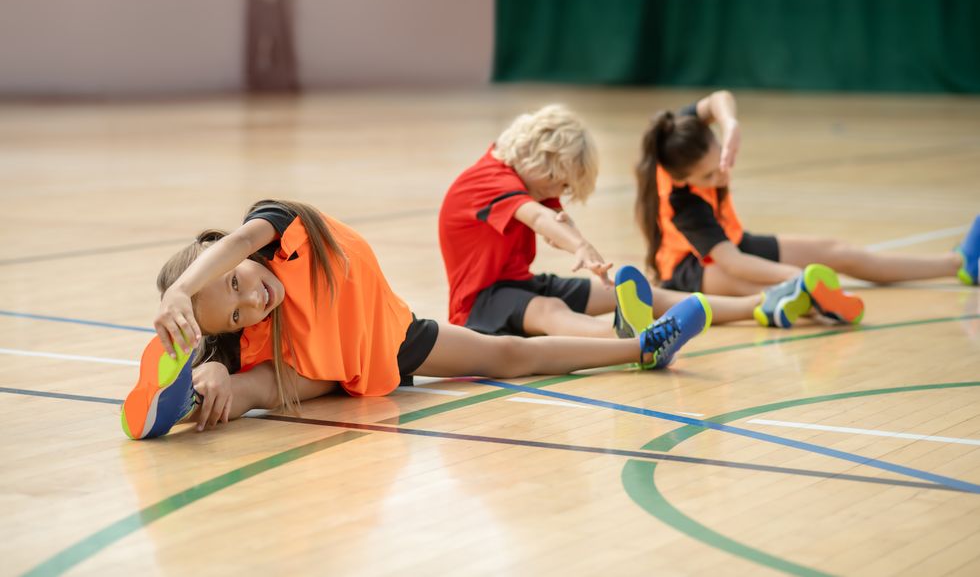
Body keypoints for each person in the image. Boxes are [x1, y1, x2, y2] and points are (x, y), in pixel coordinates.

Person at [121, 199, 711, 440]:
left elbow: (243, 239)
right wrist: (222, 374)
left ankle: (642, 348)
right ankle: (190, 398)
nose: (253, 302)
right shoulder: (263, 331)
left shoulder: (277, 229)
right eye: (237, 314)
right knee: (250, 385)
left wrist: (182, 289)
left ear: (234, 254)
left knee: (511, 355)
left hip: (391, 336)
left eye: (235, 284)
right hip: (329, 369)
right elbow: (266, 371)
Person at [438, 103, 827, 337]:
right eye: (558, 181)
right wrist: (581, 246)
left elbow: (557, 219)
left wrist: (592, 260)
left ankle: (765, 304)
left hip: (518, 285)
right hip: (479, 304)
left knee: (642, 293)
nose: (557, 191)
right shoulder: (488, 180)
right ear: (542, 158)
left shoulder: (527, 178)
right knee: (550, 311)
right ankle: (629, 340)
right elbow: (539, 217)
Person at [634, 90, 980, 326]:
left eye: (720, 160)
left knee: (837, 251)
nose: (722, 173)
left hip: (732, 241)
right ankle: (804, 299)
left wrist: (730, 124)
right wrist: (794, 275)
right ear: (683, 178)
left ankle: (958, 264)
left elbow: (720, 99)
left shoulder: (678, 132)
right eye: (709, 175)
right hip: (690, 270)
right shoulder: (684, 203)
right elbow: (733, 261)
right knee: (776, 289)